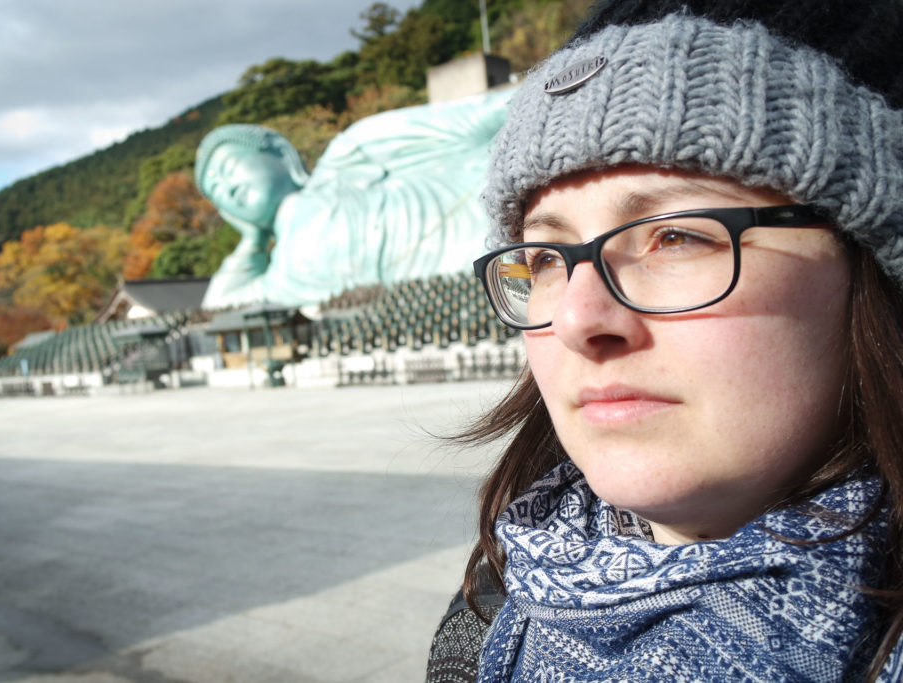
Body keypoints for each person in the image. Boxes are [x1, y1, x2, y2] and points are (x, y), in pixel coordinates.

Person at [430, 0, 903, 681]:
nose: (577, 319)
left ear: (872, 266)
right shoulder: (488, 610)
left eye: (676, 236)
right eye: (544, 258)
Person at [194, 89, 513, 309]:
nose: (227, 189)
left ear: (279, 152)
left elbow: (479, 118)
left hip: (495, 205)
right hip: (485, 287)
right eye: (216, 193)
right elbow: (217, 305)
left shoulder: (350, 154)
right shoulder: (283, 277)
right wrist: (252, 240)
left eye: (228, 169)